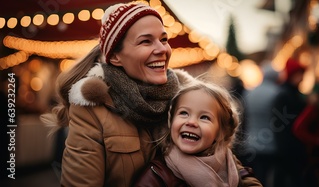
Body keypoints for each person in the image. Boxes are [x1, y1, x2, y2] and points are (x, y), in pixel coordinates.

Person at [40, 2, 259, 186]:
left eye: (163, 39)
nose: (162, 49)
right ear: (115, 57)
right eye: (146, 41)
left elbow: (225, 159)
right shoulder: (93, 110)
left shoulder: (183, 95)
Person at [134, 80, 261, 186]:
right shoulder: (157, 175)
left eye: (204, 117)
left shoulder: (231, 165)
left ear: (220, 133)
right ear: (171, 122)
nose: (192, 122)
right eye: (184, 113)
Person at [242, 64, 281, 186]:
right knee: (271, 177)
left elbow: (245, 117)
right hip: (271, 142)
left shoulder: (250, 92)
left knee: (256, 176)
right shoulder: (277, 92)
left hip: (251, 141)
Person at [272, 58, 308, 187]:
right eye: (299, 74)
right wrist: (284, 148)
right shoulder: (285, 95)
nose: (302, 78)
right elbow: (279, 125)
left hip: (295, 147)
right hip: (288, 148)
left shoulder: (295, 93)